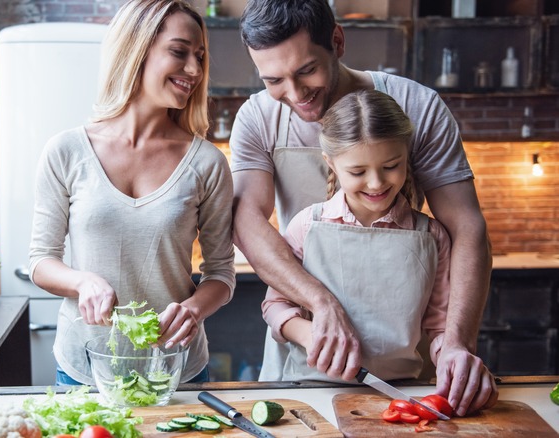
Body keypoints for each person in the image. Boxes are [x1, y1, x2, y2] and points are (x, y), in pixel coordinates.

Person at [231, 0, 495, 415]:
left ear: (337, 41)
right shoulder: (257, 118)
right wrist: (320, 303)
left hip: (404, 360)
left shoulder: (418, 107)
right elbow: (246, 222)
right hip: (309, 352)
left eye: (306, 71)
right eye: (274, 80)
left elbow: (466, 227)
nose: (296, 94)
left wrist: (456, 342)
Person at [28, 0, 235, 386]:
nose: (194, 69)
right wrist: (82, 282)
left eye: (200, 57)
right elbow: (41, 260)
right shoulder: (67, 151)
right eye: (179, 52)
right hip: (86, 369)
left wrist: (193, 309)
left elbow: (221, 274)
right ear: (137, 49)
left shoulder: (207, 163)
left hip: (175, 370)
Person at [262, 90, 495, 398]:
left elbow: (440, 326)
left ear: (406, 155)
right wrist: (311, 335)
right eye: (358, 172)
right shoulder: (307, 226)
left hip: (402, 393)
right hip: (312, 390)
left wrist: (453, 357)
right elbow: (275, 305)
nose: (376, 183)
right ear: (330, 163)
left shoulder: (433, 237)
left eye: (391, 166)